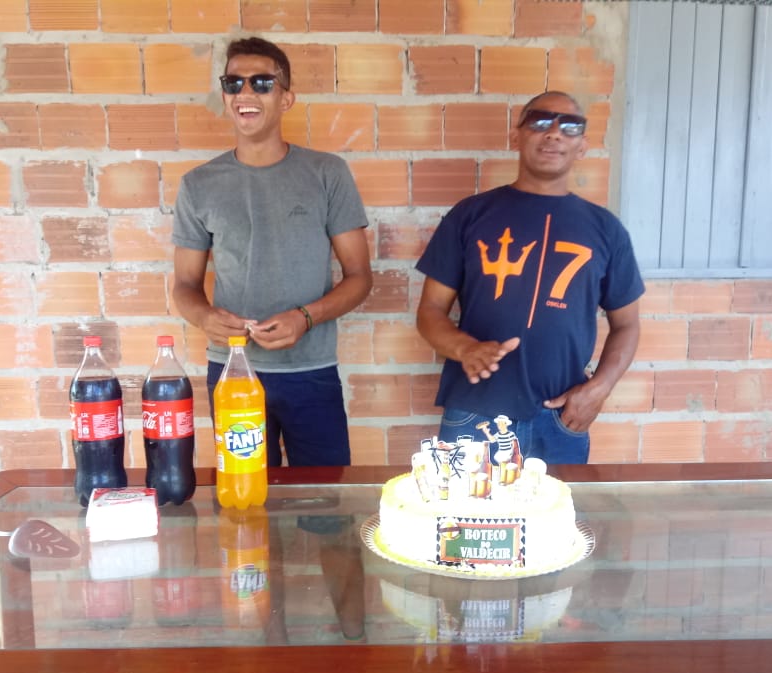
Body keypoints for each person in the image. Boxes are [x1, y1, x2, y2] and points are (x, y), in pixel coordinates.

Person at [171, 37, 371, 467]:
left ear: (286, 98)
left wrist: (306, 317)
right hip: (233, 370)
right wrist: (204, 317)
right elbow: (185, 285)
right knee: (244, 494)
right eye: (233, 83)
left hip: (310, 370)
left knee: (324, 499)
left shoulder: (327, 173)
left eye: (261, 83)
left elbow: (360, 277)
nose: (245, 92)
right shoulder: (198, 185)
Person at [415, 91, 644, 464]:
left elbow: (628, 324)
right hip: (476, 412)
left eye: (570, 126)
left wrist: (598, 389)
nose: (554, 133)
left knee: (556, 506)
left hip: (561, 416)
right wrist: (464, 348)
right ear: (516, 136)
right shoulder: (470, 215)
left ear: (582, 146)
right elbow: (430, 311)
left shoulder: (605, 229)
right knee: (466, 506)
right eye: (540, 121)